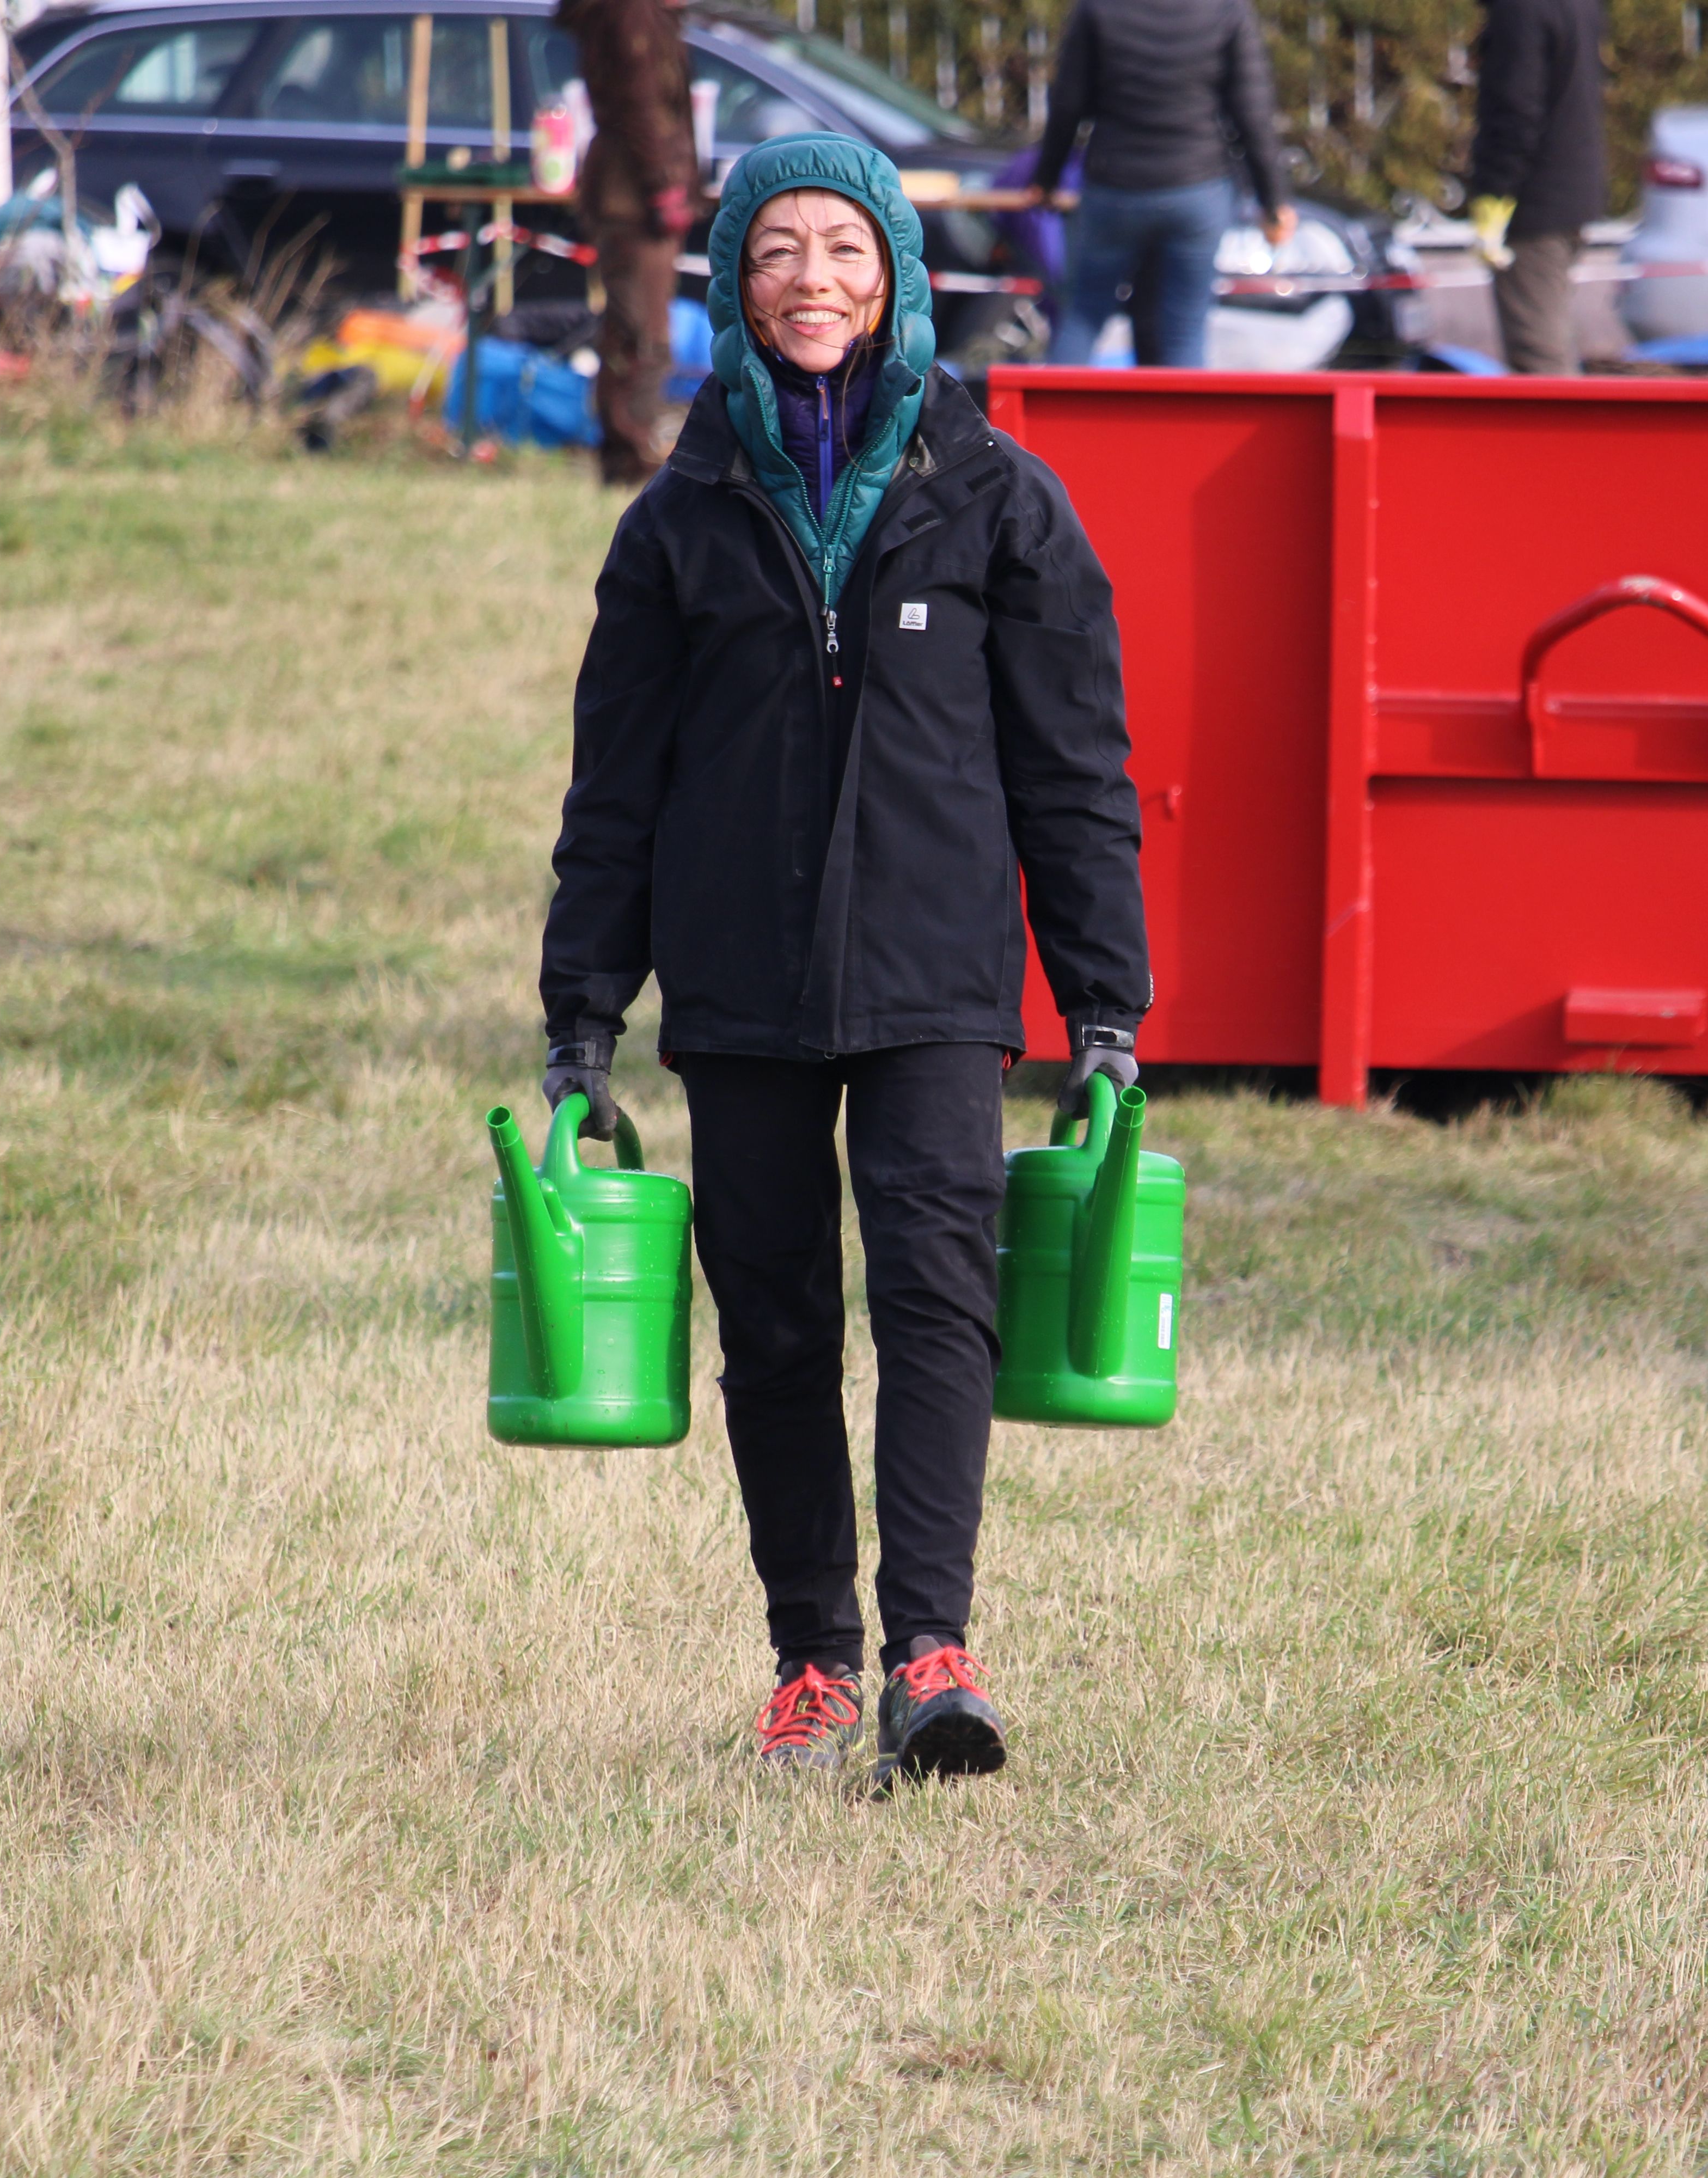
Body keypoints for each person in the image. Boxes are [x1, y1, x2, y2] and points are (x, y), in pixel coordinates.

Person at [537, 134, 1151, 1785]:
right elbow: (615, 789)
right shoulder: (679, 519)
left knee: (940, 1302)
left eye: (846, 250)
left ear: (896, 276)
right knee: (782, 1323)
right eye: (779, 252)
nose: (814, 281)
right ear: (735, 282)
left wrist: (1104, 1002)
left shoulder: (996, 496)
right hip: (735, 987)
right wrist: (581, 1014)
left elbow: (1075, 769)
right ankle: (810, 1662)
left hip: (935, 978)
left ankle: (931, 1655)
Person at [1030, 0, 1297, 368]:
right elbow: (1252, 112)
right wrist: (1274, 201)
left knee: (1084, 315)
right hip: (1198, 189)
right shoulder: (1226, 9)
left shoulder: (1098, 8)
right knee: (1184, 330)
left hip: (1114, 187)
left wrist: (1046, 179)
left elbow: (1068, 103)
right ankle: (1184, 426)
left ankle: (1048, 423)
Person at [560, 0, 699, 484]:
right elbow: (641, 105)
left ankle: (629, 451)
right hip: (632, 195)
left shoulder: (635, 12)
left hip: (628, 190)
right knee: (642, 336)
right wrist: (662, 183)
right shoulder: (632, 12)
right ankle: (630, 457)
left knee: (636, 332)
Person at [1463, 0, 1607, 377]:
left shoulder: (1521, 10)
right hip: (1569, 192)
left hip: (1534, 203)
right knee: (1551, 343)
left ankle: (1569, 438)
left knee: (1540, 361)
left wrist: (1495, 194)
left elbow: (1515, 108)